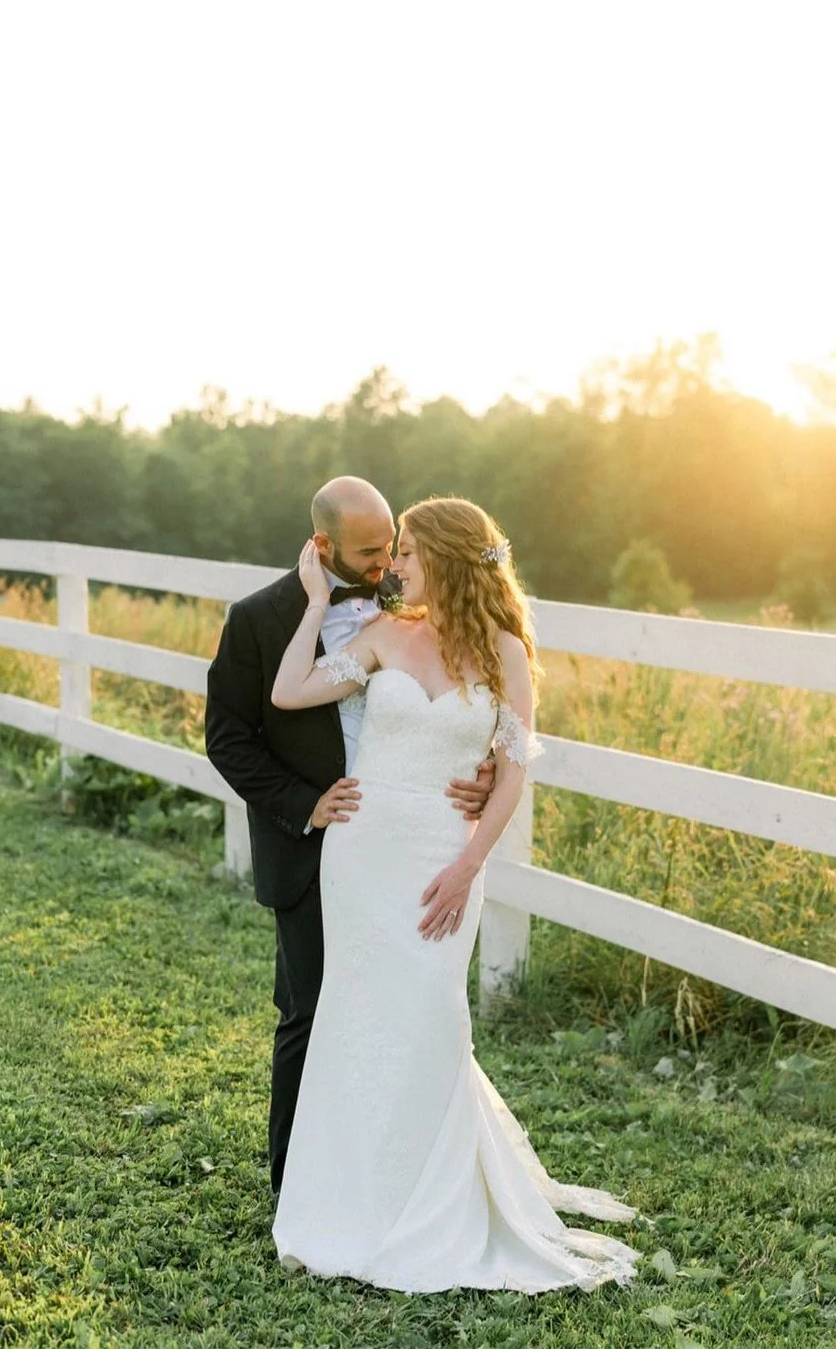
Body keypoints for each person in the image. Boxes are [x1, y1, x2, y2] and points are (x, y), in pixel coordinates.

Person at [268, 495, 641, 1294]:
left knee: (432, 1012)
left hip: (445, 858)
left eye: (405, 552)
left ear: (441, 555)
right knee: (359, 1013)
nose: (394, 565)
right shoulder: (383, 635)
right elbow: (290, 691)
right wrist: (313, 605)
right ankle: (354, 1199)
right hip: (364, 853)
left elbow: (511, 775)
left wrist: (471, 864)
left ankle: (430, 1201)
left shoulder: (505, 652)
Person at [204, 478, 494, 1197]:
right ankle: (295, 1186)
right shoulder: (258, 619)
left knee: (403, 1004)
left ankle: (394, 1178)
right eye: (371, 552)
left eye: (394, 547)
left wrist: (478, 769)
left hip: (410, 843)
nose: (387, 564)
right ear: (323, 544)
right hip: (311, 845)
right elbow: (228, 738)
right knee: (309, 1012)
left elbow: (464, 703)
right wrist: (307, 804)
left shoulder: (414, 604)